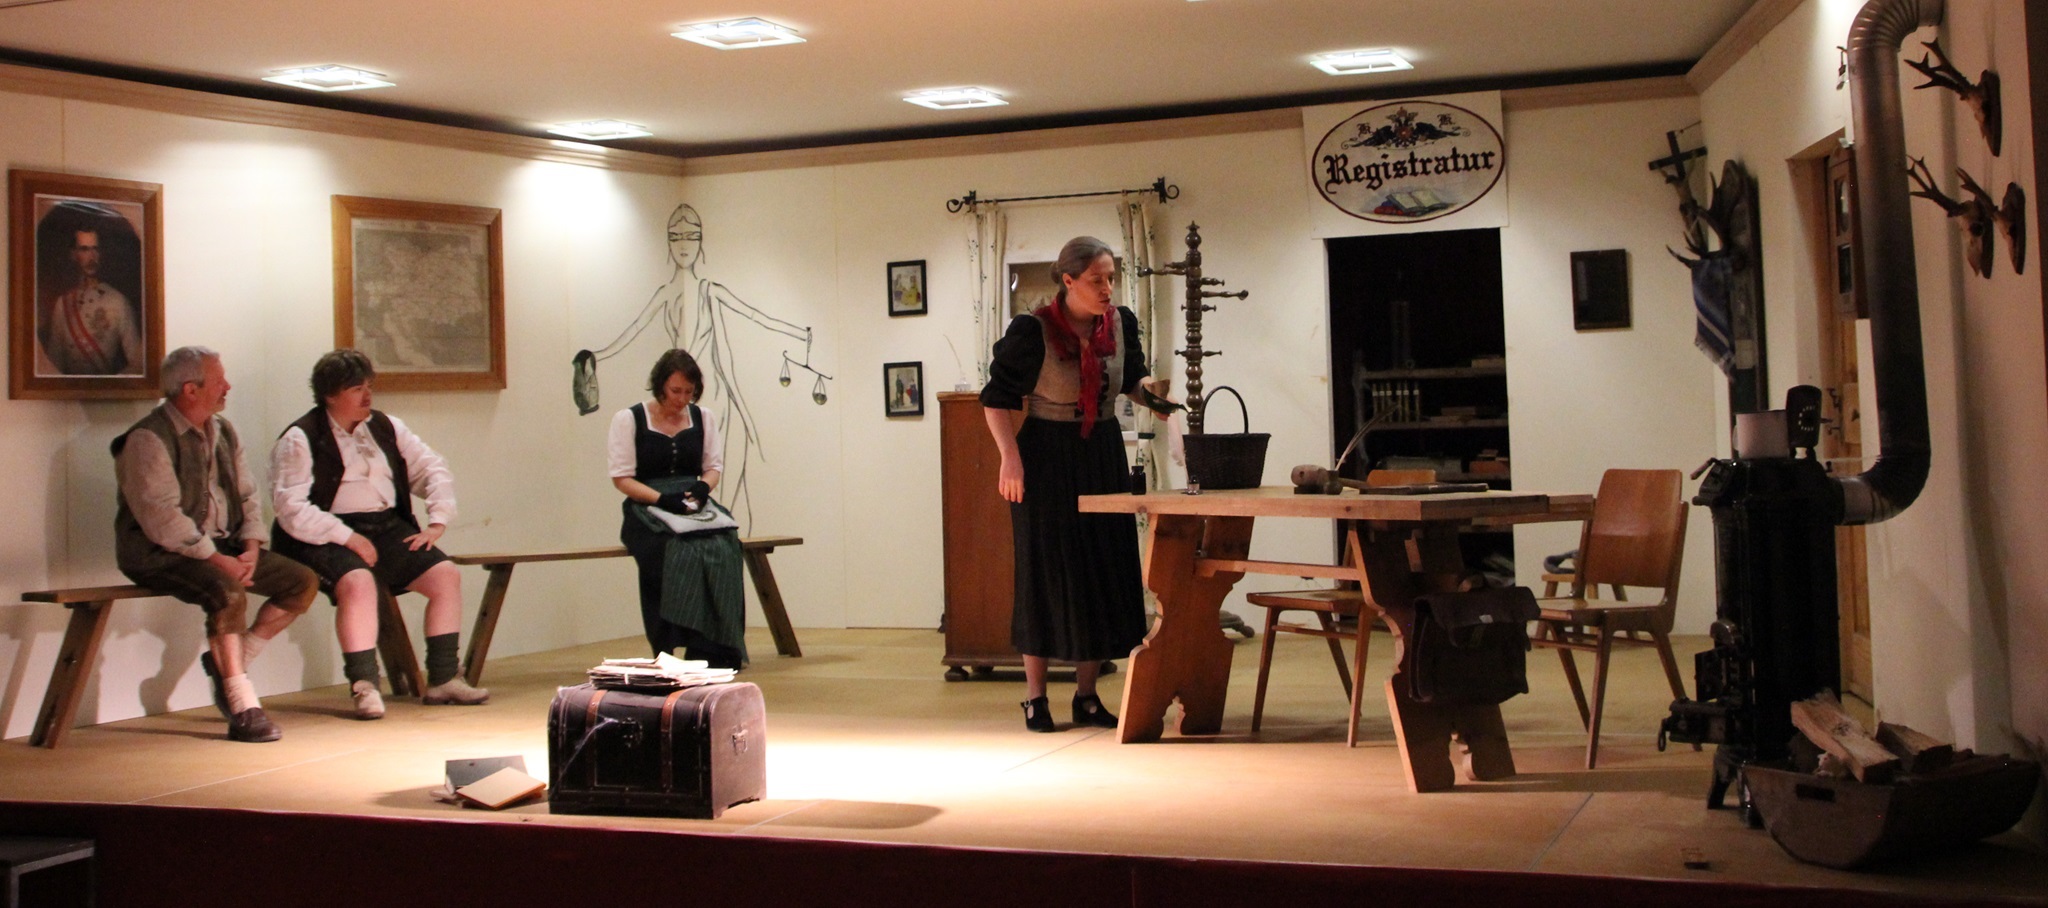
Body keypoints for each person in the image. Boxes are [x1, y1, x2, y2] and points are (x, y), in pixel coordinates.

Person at [980, 236, 1179, 732]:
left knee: (1101, 565)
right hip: (1045, 456)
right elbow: (996, 399)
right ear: (1068, 281)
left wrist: (1160, 404)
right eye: (1097, 280)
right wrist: (1010, 460)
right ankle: (1036, 698)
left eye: (1111, 278)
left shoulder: (1120, 323)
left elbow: (1131, 381)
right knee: (1045, 570)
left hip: (1101, 451)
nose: (1107, 288)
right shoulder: (1033, 330)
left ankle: (1087, 696)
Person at [113, 346, 319, 743]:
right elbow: (162, 518)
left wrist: (252, 545)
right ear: (190, 389)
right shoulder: (147, 438)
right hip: (159, 553)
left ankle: (232, 664)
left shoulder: (223, 430)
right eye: (219, 380)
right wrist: (218, 560)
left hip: (223, 548)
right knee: (227, 594)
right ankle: (242, 704)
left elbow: (246, 493)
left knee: (302, 582)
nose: (228, 386)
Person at [269, 349, 489, 719]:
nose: (367, 395)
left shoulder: (386, 426)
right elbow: (291, 508)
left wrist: (437, 520)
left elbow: (432, 468)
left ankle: (444, 678)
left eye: (369, 386)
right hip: (322, 534)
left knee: (444, 575)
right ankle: (365, 685)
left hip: (385, 526)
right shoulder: (301, 437)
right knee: (358, 582)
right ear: (330, 395)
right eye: (357, 389)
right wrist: (348, 538)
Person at [609, 348, 748, 668]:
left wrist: (701, 489)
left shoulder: (703, 417)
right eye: (676, 391)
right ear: (660, 386)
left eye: (689, 392)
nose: (682, 399)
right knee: (676, 549)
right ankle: (670, 642)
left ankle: (714, 647)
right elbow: (622, 479)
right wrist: (661, 499)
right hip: (646, 505)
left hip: (692, 500)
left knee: (725, 545)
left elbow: (712, 468)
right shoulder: (629, 419)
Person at [41, 227, 144, 376]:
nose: (91, 256)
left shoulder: (118, 302)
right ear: (74, 255)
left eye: (95, 249)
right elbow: (54, 363)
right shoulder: (62, 304)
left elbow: (137, 363)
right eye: (84, 249)